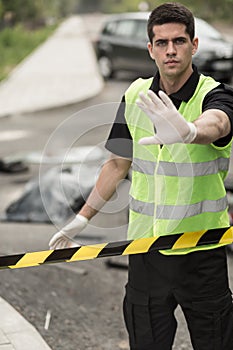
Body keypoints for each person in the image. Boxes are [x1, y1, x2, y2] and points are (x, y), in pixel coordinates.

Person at [49, 2, 233, 349]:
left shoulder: (214, 94)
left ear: (194, 45)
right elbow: (118, 164)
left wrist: (191, 131)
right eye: (161, 43)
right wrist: (82, 218)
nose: (171, 50)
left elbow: (219, 123)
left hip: (201, 252)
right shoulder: (135, 95)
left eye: (179, 41)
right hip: (146, 252)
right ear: (150, 49)